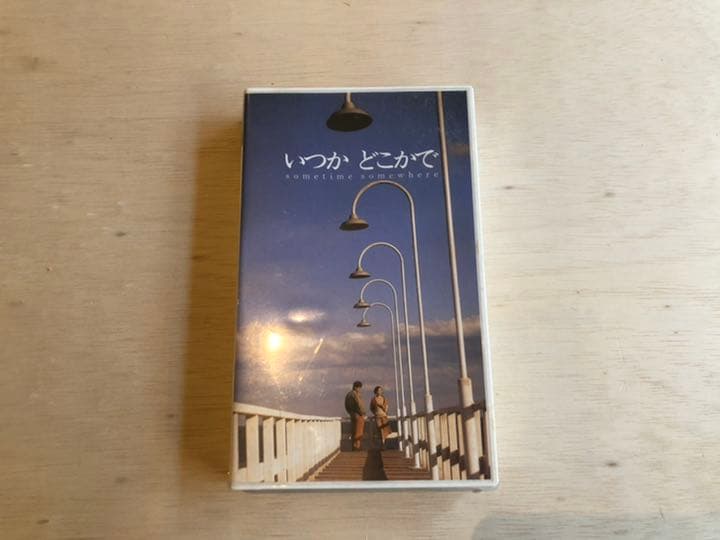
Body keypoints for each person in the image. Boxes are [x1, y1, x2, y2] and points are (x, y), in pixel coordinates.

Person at [344, 381, 365, 450]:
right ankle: (357, 447)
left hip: (352, 414)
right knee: (358, 431)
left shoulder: (348, 394)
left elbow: (346, 405)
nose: (360, 389)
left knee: (354, 430)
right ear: (356, 387)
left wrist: (350, 412)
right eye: (359, 388)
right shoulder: (355, 394)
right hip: (358, 414)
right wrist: (362, 413)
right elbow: (359, 405)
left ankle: (354, 446)